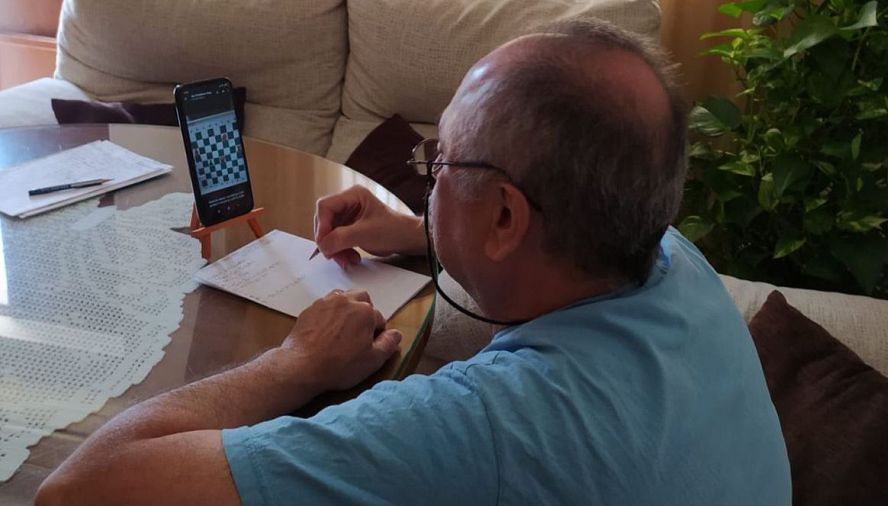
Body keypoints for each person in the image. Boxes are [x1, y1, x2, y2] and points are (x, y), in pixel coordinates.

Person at [36, 19, 790, 506]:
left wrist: (294, 363)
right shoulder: (668, 256)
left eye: (440, 162)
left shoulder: (480, 425)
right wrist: (417, 232)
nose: (430, 177)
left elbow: (78, 493)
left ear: (505, 218)